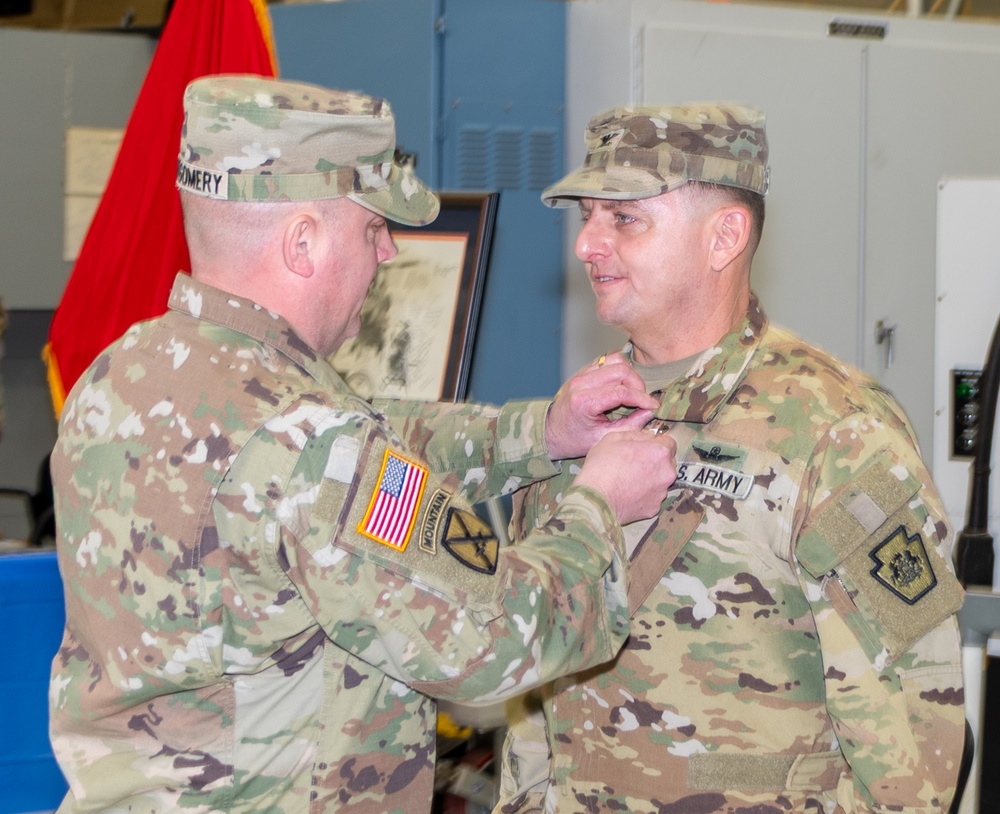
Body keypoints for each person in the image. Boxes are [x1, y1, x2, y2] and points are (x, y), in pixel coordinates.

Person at [48, 76, 678, 814]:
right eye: (372, 227)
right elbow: (502, 639)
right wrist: (600, 504)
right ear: (304, 242)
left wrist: (539, 433)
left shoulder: (121, 374)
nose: (386, 252)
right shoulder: (312, 447)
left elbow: (359, 430)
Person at [496, 104, 967, 814]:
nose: (587, 245)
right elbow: (538, 700)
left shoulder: (834, 431)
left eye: (623, 219)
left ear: (724, 237)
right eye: (587, 217)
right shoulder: (580, 418)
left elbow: (911, 751)